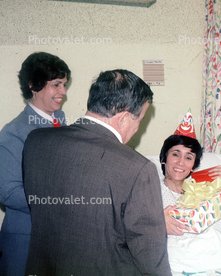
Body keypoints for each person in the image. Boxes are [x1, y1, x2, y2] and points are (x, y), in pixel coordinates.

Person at [22, 69, 171, 275]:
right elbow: (151, 257)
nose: (138, 128)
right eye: (140, 120)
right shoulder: (139, 168)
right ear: (124, 117)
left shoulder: (36, 141)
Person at [0, 51, 70, 276]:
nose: (63, 92)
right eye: (56, 85)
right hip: (25, 242)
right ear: (33, 85)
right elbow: (7, 192)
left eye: (64, 85)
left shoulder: (62, 123)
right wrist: (57, 201)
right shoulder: (15, 131)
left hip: (58, 241)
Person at [159, 111, 221, 242]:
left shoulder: (207, 192)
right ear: (164, 158)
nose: (181, 162)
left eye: (188, 157)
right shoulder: (151, 193)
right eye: (175, 154)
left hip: (217, 254)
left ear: (193, 166)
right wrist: (157, 224)